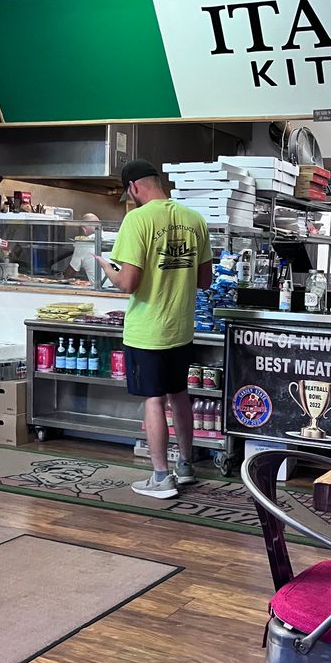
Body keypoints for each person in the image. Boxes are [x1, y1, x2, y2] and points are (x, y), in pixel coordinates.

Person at [95, 159, 212, 499]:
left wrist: (107, 266)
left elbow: (128, 283)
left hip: (148, 329)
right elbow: (204, 281)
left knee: (153, 400)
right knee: (180, 397)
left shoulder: (137, 220)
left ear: (133, 187)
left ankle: (161, 478)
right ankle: (186, 466)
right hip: (181, 327)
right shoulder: (195, 220)